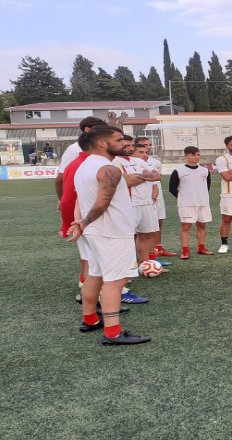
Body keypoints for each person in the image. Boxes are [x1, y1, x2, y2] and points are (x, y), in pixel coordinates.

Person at [67, 125, 150, 345]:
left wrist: (82, 223)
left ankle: (90, 319)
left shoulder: (85, 166)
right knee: (115, 281)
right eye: (119, 139)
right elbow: (101, 203)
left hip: (96, 231)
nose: (125, 143)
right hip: (112, 231)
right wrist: (83, 222)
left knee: (95, 275)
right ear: (103, 143)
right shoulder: (108, 169)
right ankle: (113, 332)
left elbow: (82, 200)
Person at [55, 117, 109, 290]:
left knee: (93, 248)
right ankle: (89, 282)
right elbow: (61, 178)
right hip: (85, 206)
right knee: (89, 248)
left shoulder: (101, 151)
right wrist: (63, 200)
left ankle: (93, 282)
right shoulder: (75, 149)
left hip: (92, 204)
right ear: (87, 130)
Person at [113, 136, 162, 266]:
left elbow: (157, 176)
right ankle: (126, 267)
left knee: (146, 234)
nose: (129, 148)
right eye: (126, 145)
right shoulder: (114, 162)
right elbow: (128, 181)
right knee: (126, 238)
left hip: (146, 202)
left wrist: (138, 177)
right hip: (129, 204)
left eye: (131, 145)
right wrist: (145, 176)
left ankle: (144, 264)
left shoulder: (138, 160)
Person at [134, 136, 177, 258]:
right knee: (140, 229)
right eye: (144, 145)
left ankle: (157, 249)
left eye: (149, 145)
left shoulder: (155, 162)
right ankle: (140, 255)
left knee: (157, 223)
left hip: (156, 197)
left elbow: (157, 178)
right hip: (139, 199)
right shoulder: (131, 163)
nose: (148, 147)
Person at [168, 146, 213, 259]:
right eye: (193, 155)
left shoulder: (205, 171)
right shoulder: (178, 171)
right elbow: (172, 188)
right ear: (186, 156)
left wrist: (201, 196)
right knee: (186, 226)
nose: (196, 157)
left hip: (203, 203)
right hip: (187, 204)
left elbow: (207, 186)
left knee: (202, 225)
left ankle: (201, 248)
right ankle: (185, 251)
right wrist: (184, 198)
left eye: (198, 155)